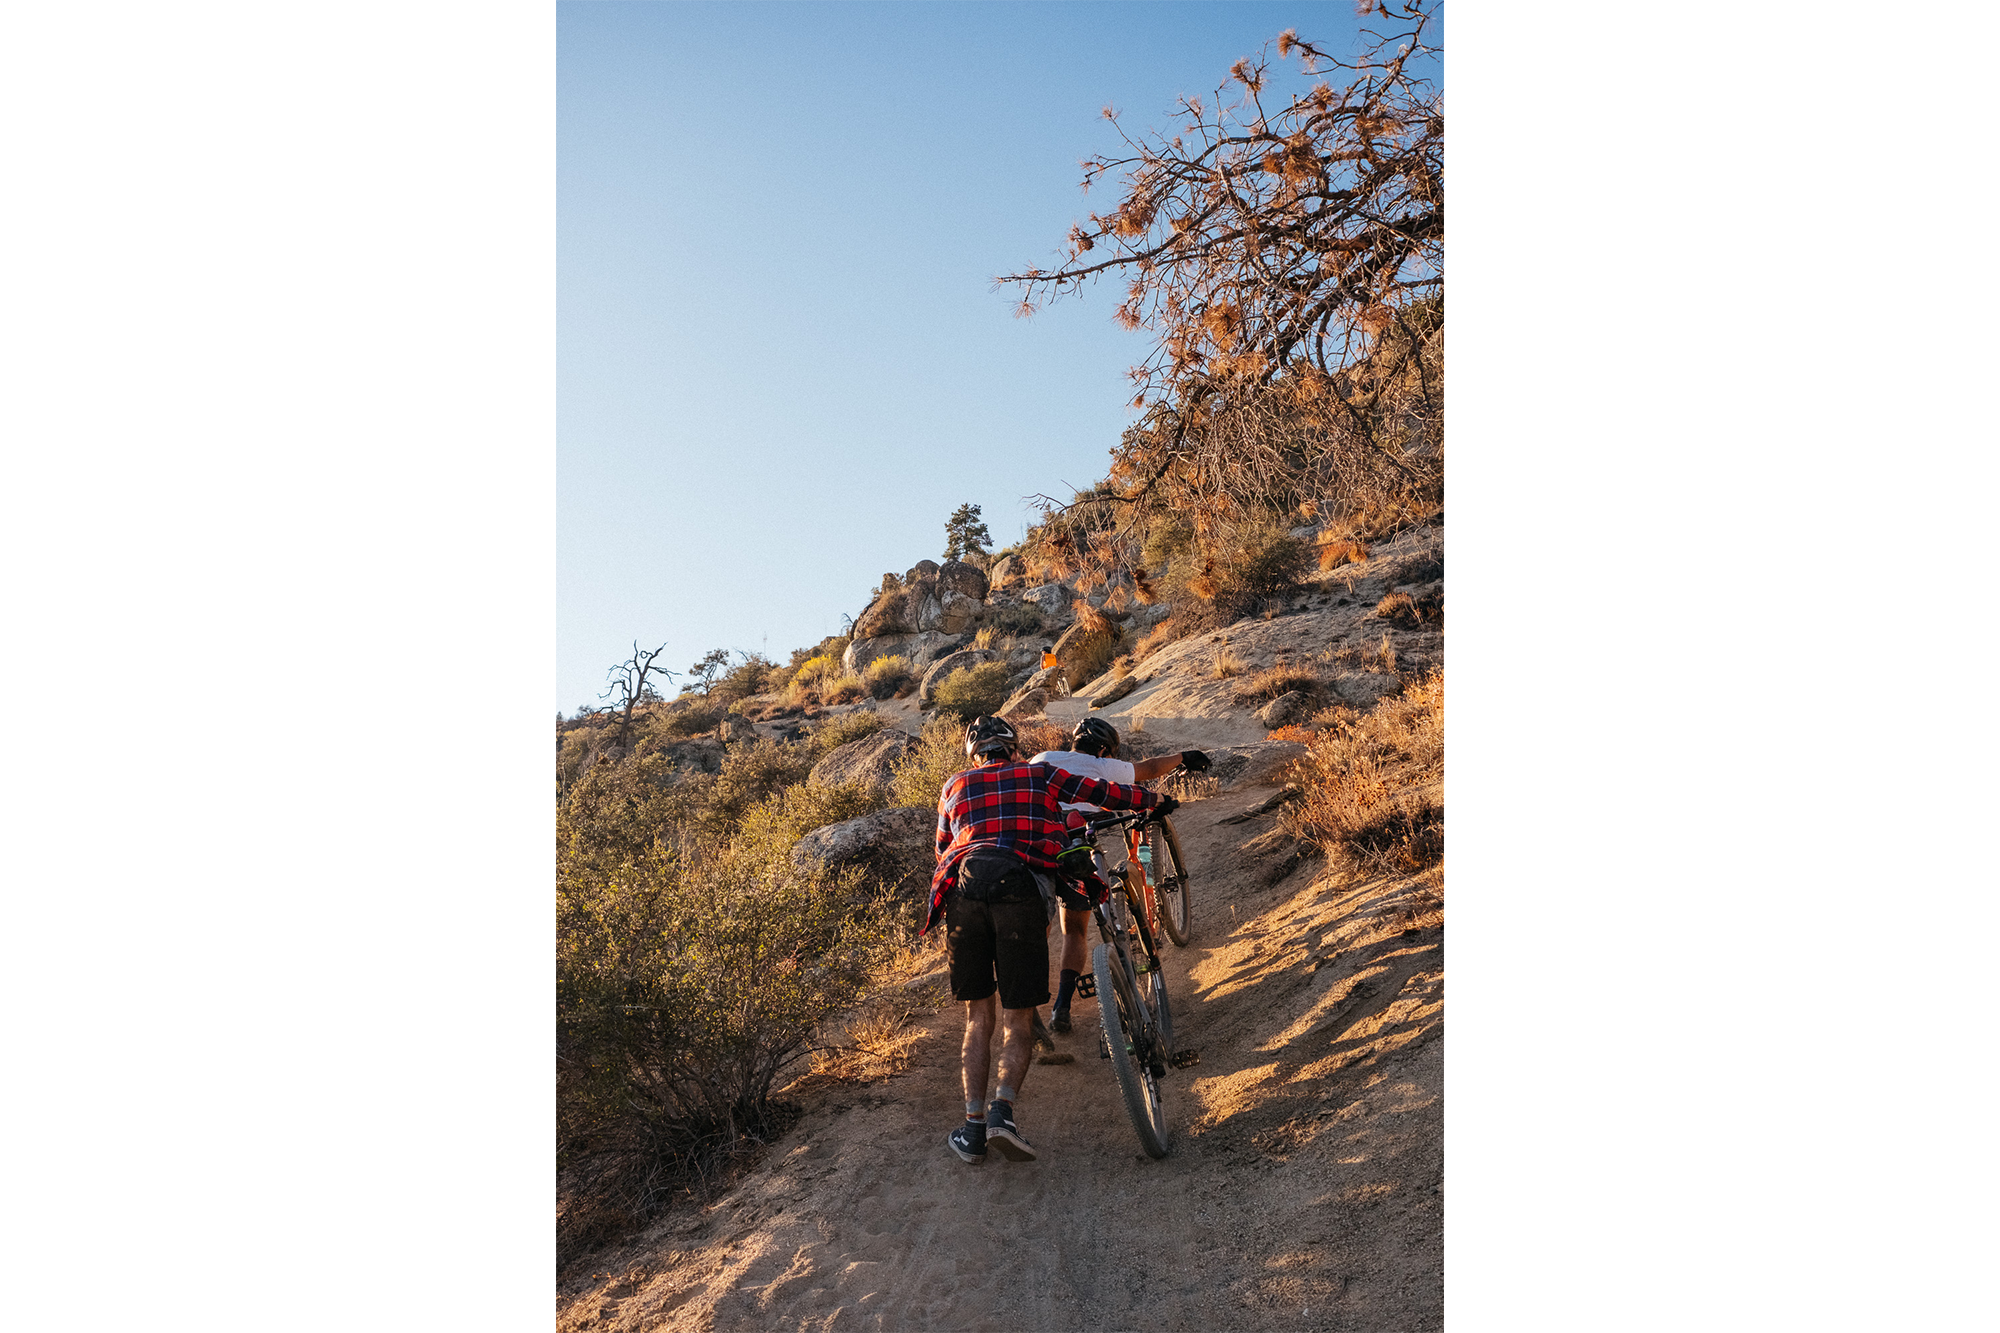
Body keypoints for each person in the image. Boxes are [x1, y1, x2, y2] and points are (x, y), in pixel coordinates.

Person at [925, 714, 1175, 1165]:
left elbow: (942, 851)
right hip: (1018, 890)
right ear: (1014, 748)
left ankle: (972, 1128)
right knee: (1018, 1019)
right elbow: (1105, 794)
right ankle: (1003, 1113)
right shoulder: (1038, 773)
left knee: (977, 1017)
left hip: (963, 893)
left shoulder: (954, 785)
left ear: (974, 754)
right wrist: (1156, 799)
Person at [1029, 717, 1211, 1035]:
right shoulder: (1104, 766)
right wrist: (1184, 756)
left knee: (1040, 932)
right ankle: (1063, 1005)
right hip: (1081, 847)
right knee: (1076, 930)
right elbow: (1150, 768)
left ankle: (1029, 1007)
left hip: (1042, 848)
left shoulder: (1042, 760)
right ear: (1103, 750)